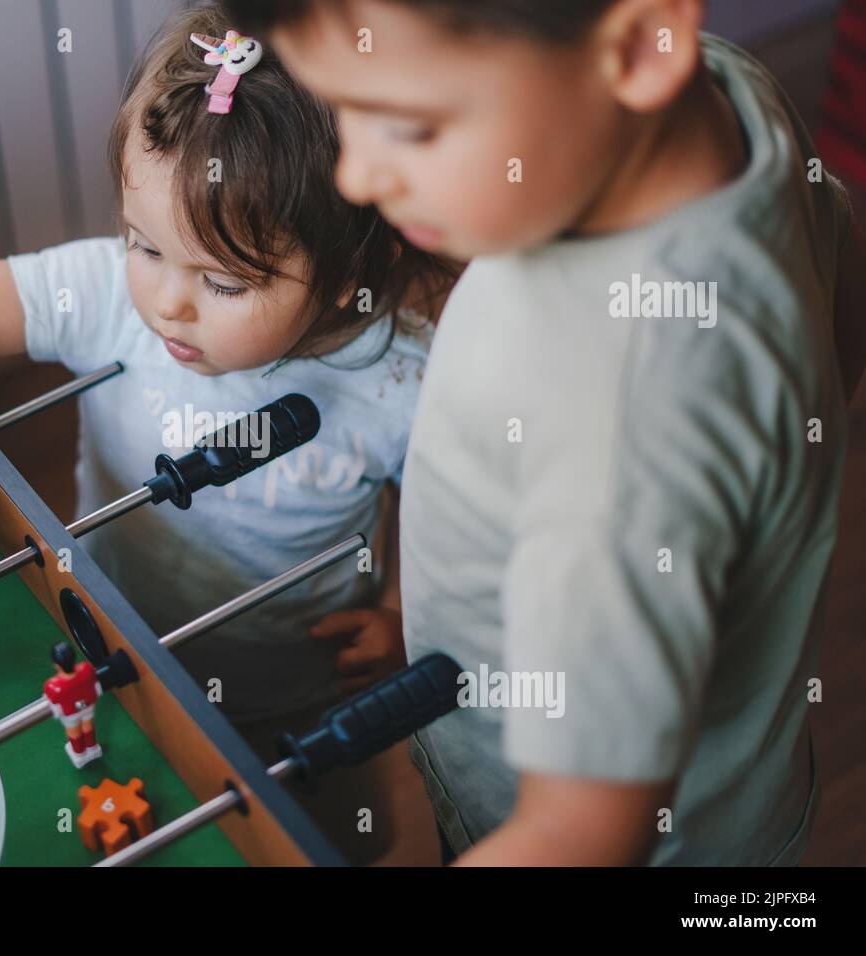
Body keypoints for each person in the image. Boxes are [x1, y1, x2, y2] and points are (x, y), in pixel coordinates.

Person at [0, 3, 455, 862]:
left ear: (345, 269)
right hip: (116, 653)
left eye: (224, 280)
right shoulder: (105, 297)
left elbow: (433, 513)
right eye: (144, 243)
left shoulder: (401, 376)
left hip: (303, 697)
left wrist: (403, 610)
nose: (168, 301)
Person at [229, 0, 866, 864]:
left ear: (642, 46)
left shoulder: (624, 423)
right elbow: (840, 313)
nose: (355, 176)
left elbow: (582, 833)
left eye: (409, 127)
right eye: (343, 108)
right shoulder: (728, 92)